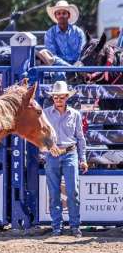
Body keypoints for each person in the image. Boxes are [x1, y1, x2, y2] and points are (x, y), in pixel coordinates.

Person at [43, 81, 88, 237]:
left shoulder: (75, 114)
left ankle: (75, 226)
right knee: (54, 193)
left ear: (66, 97)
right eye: (55, 97)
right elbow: (41, 136)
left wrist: (83, 158)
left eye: (61, 97)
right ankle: (57, 227)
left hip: (70, 153)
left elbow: (80, 138)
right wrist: (48, 149)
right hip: (52, 155)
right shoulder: (45, 113)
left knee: (72, 192)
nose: (58, 99)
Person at [44, 0, 86, 81]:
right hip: (59, 66)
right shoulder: (50, 33)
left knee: (84, 75)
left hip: (77, 65)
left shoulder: (78, 32)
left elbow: (82, 52)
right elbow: (52, 56)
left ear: (68, 15)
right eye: (58, 13)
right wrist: (70, 68)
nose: (61, 16)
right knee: (59, 75)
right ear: (55, 16)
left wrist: (76, 66)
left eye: (64, 13)